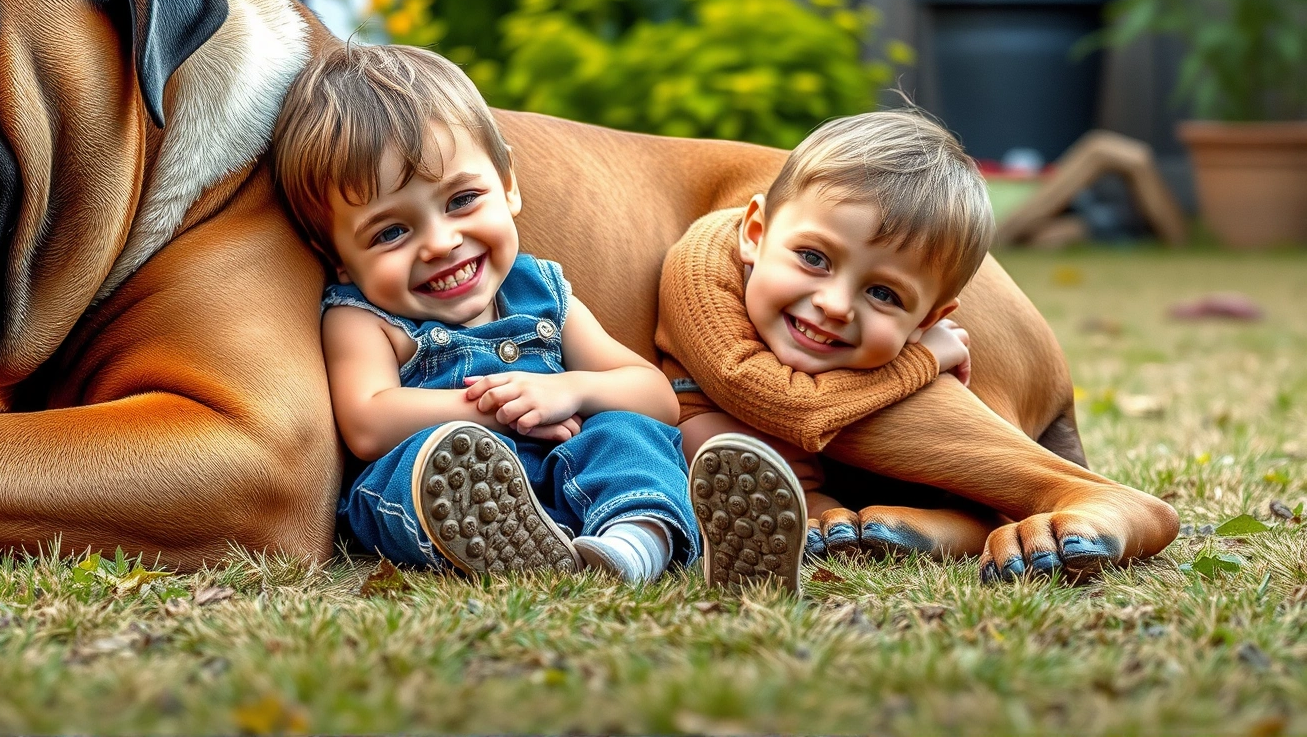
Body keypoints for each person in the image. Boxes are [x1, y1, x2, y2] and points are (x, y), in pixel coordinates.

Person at [272, 44, 698, 583]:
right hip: (456, 489)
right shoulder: (362, 318)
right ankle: (514, 543)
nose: (441, 243)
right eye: (391, 232)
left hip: (570, 470)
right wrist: (491, 413)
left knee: (628, 433)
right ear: (336, 258)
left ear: (509, 185)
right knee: (412, 470)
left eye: (460, 200)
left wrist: (570, 391)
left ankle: (633, 544)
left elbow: (656, 395)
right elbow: (368, 423)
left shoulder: (540, 291)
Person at [658, 110, 993, 588]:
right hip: (704, 425)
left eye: (883, 294)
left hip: (814, 468)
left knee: (828, 505)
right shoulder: (700, 270)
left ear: (927, 320)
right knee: (706, 439)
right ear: (756, 233)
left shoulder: (831, 310)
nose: (834, 306)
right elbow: (789, 406)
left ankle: (845, 527)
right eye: (814, 259)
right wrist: (924, 360)